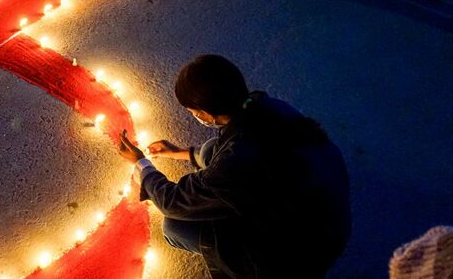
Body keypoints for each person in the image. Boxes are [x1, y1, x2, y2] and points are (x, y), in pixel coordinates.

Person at [116, 54, 351, 278]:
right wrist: (180, 152)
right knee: (210, 150)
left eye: (192, 111)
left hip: (298, 253)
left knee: (175, 226)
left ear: (205, 114)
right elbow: (231, 151)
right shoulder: (267, 106)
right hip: (327, 214)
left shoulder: (236, 162)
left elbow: (174, 202)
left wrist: (141, 164)